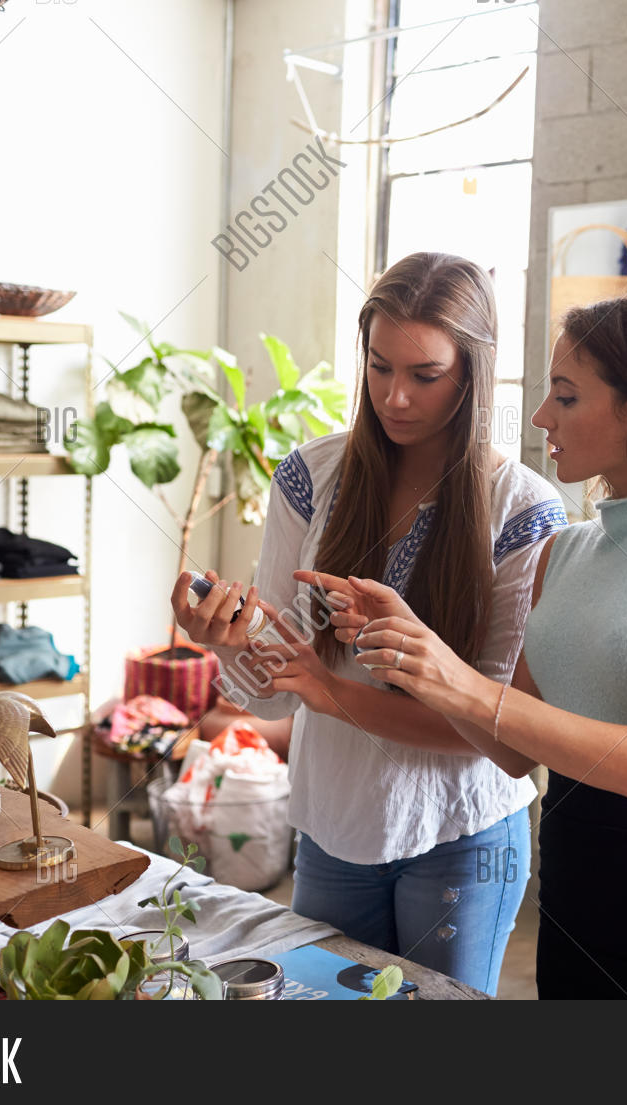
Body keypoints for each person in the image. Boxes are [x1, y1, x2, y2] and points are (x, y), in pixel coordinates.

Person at [299, 294, 627, 998]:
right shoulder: (564, 552)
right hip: (573, 915)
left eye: (566, 397)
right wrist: (412, 651)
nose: (541, 417)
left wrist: (462, 682)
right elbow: (512, 749)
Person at [172, 252, 566, 996]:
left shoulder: (525, 513)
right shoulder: (311, 477)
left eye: (425, 375)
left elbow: (498, 731)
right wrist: (224, 643)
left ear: (473, 375)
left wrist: (330, 691)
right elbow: (273, 693)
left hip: (463, 834)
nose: (395, 397)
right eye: (379, 366)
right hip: (332, 821)